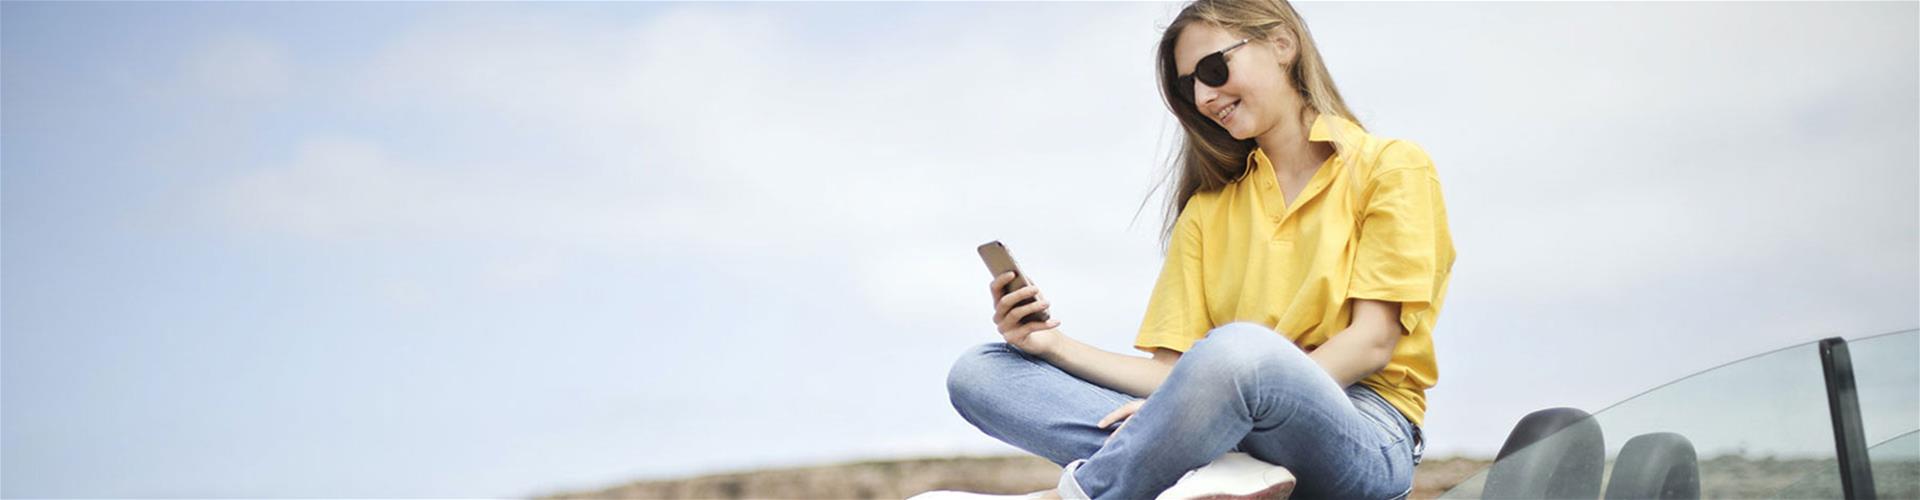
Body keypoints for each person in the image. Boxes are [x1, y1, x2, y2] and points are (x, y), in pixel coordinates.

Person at [916, 0, 1453, 498]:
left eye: (1213, 70)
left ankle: (1091, 490)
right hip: (1230, 434)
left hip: (1362, 429)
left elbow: (1372, 342)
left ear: (1283, 45)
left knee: (1241, 350)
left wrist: (1196, 413)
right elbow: (1172, 374)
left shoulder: (1390, 166)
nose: (1203, 97)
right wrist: (1051, 346)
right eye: (1188, 86)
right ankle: (1214, 471)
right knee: (980, 371)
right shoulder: (1208, 210)